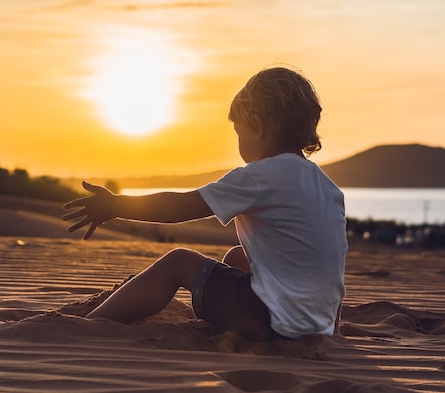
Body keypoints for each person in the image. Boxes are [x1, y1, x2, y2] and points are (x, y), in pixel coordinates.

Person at [63, 67, 347, 341]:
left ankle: (90, 326)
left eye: (239, 131)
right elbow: (328, 266)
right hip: (318, 327)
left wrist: (116, 206)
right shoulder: (328, 188)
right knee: (238, 257)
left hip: (271, 321)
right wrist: (326, 327)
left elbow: (183, 207)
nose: (239, 141)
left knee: (178, 261)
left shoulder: (260, 176)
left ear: (259, 125)